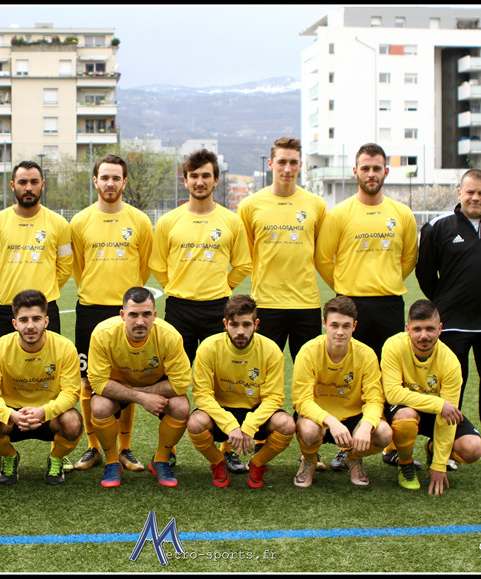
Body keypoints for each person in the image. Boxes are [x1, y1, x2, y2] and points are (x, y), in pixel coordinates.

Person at [314, 142, 418, 471]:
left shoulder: (402, 214)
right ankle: (346, 446)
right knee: (352, 376)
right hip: (351, 305)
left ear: (385, 172)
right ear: (355, 172)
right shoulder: (340, 213)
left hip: (389, 305)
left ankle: (390, 445)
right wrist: (345, 288)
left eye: (376, 168)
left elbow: (409, 259)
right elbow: (323, 258)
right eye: (365, 168)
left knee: (390, 376)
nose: (371, 174)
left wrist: (384, 281)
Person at [416, 169, 481, 470]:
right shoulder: (438, 226)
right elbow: (425, 272)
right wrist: (447, 301)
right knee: (450, 387)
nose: (475, 197)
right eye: (470, 192)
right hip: (452, 323)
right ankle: (444, 447)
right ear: (459, 192)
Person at [235, 136, 327, 474]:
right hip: (267, 305)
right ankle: (260, 443)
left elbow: (321, 252)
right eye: (282, 162)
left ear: (300, 165)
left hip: (306, 305)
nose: (287, 168)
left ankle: (309, 450)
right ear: (271, 164)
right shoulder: (251, 205)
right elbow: (245, 255)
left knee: (310, 380)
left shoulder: (316, 205)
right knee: (260, 379)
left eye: (293, 162)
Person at [68, 154, 153, 473]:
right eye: (104, 177)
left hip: (126, 313)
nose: (110, 183)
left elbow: (144, 266)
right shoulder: (79, 221)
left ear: (124, 182)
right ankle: (93, 448)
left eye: (116, 177)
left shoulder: (139, 221)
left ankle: (125, 448)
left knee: (125, 379)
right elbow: (77, 266)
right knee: (88, 380)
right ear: (95, 181)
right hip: (90, 309)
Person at [150, 149, 252, 364]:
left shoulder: (231, 221)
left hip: (217, 309)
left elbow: (243, 265)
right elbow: (157, 264)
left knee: (218, 373)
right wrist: (175, 286)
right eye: (194, 176)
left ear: (216, 180)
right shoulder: (168, 221)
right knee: (174, 373)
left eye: (206, 176)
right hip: (179, 309)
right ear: (185, 181)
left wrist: (224, 286)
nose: (199, 182)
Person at [87, 287, 192, 488]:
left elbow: (180, 383)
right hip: (116, 386)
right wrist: (141, 398)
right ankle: (112, 462)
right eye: (133, 315)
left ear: (155, 315)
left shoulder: (170, 336)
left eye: (146, 314)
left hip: (152, 385)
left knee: (181, 406)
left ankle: (161, 460)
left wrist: (138, 393)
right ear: (122, 315)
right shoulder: (103, 333)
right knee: (99, 406)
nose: (140, 321)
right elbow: (98, 382)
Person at [187, 295, 294, 488]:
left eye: (246, 324)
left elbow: (274, 398)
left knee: (286, 424)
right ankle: (218, 462)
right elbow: (202, 395)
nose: (240, 331)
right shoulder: (209, 347)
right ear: (225, 324)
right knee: (195, 423)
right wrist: (229, 424)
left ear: (256, 324)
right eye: (234, 325)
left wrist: (250, 425)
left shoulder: (271, 350)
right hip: (221, 412)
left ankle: (257, 463)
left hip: (255, 411)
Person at [0, 290, 82, 486]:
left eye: (36, 319)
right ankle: (9, 456)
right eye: (23, 320)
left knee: (73, 422)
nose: (30, 326)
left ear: (46, 321)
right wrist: (11, 415)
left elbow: (71, 393)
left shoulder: (65, 347)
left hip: (48, 414)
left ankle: (56, 458)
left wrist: (44, 411)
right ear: (14, 323)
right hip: (13, 417)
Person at [381, 300, 481, 494]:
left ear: (440, 329)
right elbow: (393, 393)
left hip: (436, 413)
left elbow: (448, 416)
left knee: (473, 449)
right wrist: (438, 404)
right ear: (408, 329)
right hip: (404, 408)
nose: (424, 336)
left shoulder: (450, 362)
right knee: (405, 417)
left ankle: (432, 449)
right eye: (417, 329)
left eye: (430, 329)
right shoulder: (393, 346)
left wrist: (439, 464)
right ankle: (405, 463)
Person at [292, 296, 392, 488]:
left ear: (354, 326)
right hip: (319, 418)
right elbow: (302, 401)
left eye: (346, 326)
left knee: (383, 433)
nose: (340, 332)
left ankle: (353, 457)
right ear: (324, 324)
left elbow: (374, 399)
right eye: (334, 325)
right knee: (309, 430)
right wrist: (330, 421)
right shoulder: (308, 351)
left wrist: (366, 425)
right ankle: (310, 460)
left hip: (354, 416)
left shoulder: (366, 354)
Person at [0, 160, 72, 341]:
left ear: (42, 185)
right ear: (12, 185)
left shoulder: (60, 224)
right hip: (7, 307)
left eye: (34, 182)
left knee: (49, 359)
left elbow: (65, 266)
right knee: (4, 359)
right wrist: (9, 286)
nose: (28, 187)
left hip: (45, 307)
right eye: (22, 182)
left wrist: (44, 290)